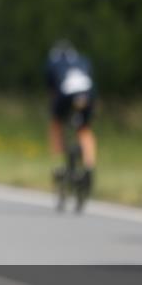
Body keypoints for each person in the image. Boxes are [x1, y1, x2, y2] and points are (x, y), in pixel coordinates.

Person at [44, 39, 97, 192]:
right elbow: (91, 79)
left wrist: (56, 110)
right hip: (87, 94)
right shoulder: (83, 60)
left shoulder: (52, 62)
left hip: (65, 94)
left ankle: (58, 163)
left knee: (56, 124)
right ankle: (89, 166)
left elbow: (51, 89)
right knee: (84, 129)